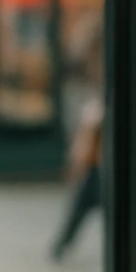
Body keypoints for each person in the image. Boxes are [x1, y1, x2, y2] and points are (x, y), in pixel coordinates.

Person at [52, 90, 104, 261]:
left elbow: (83, 146)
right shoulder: (95, 110)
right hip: (96, 170)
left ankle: (61, 245)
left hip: (98, 171)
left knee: (79, 211)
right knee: (79, 211)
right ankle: (61, 246)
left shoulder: (96, 111)